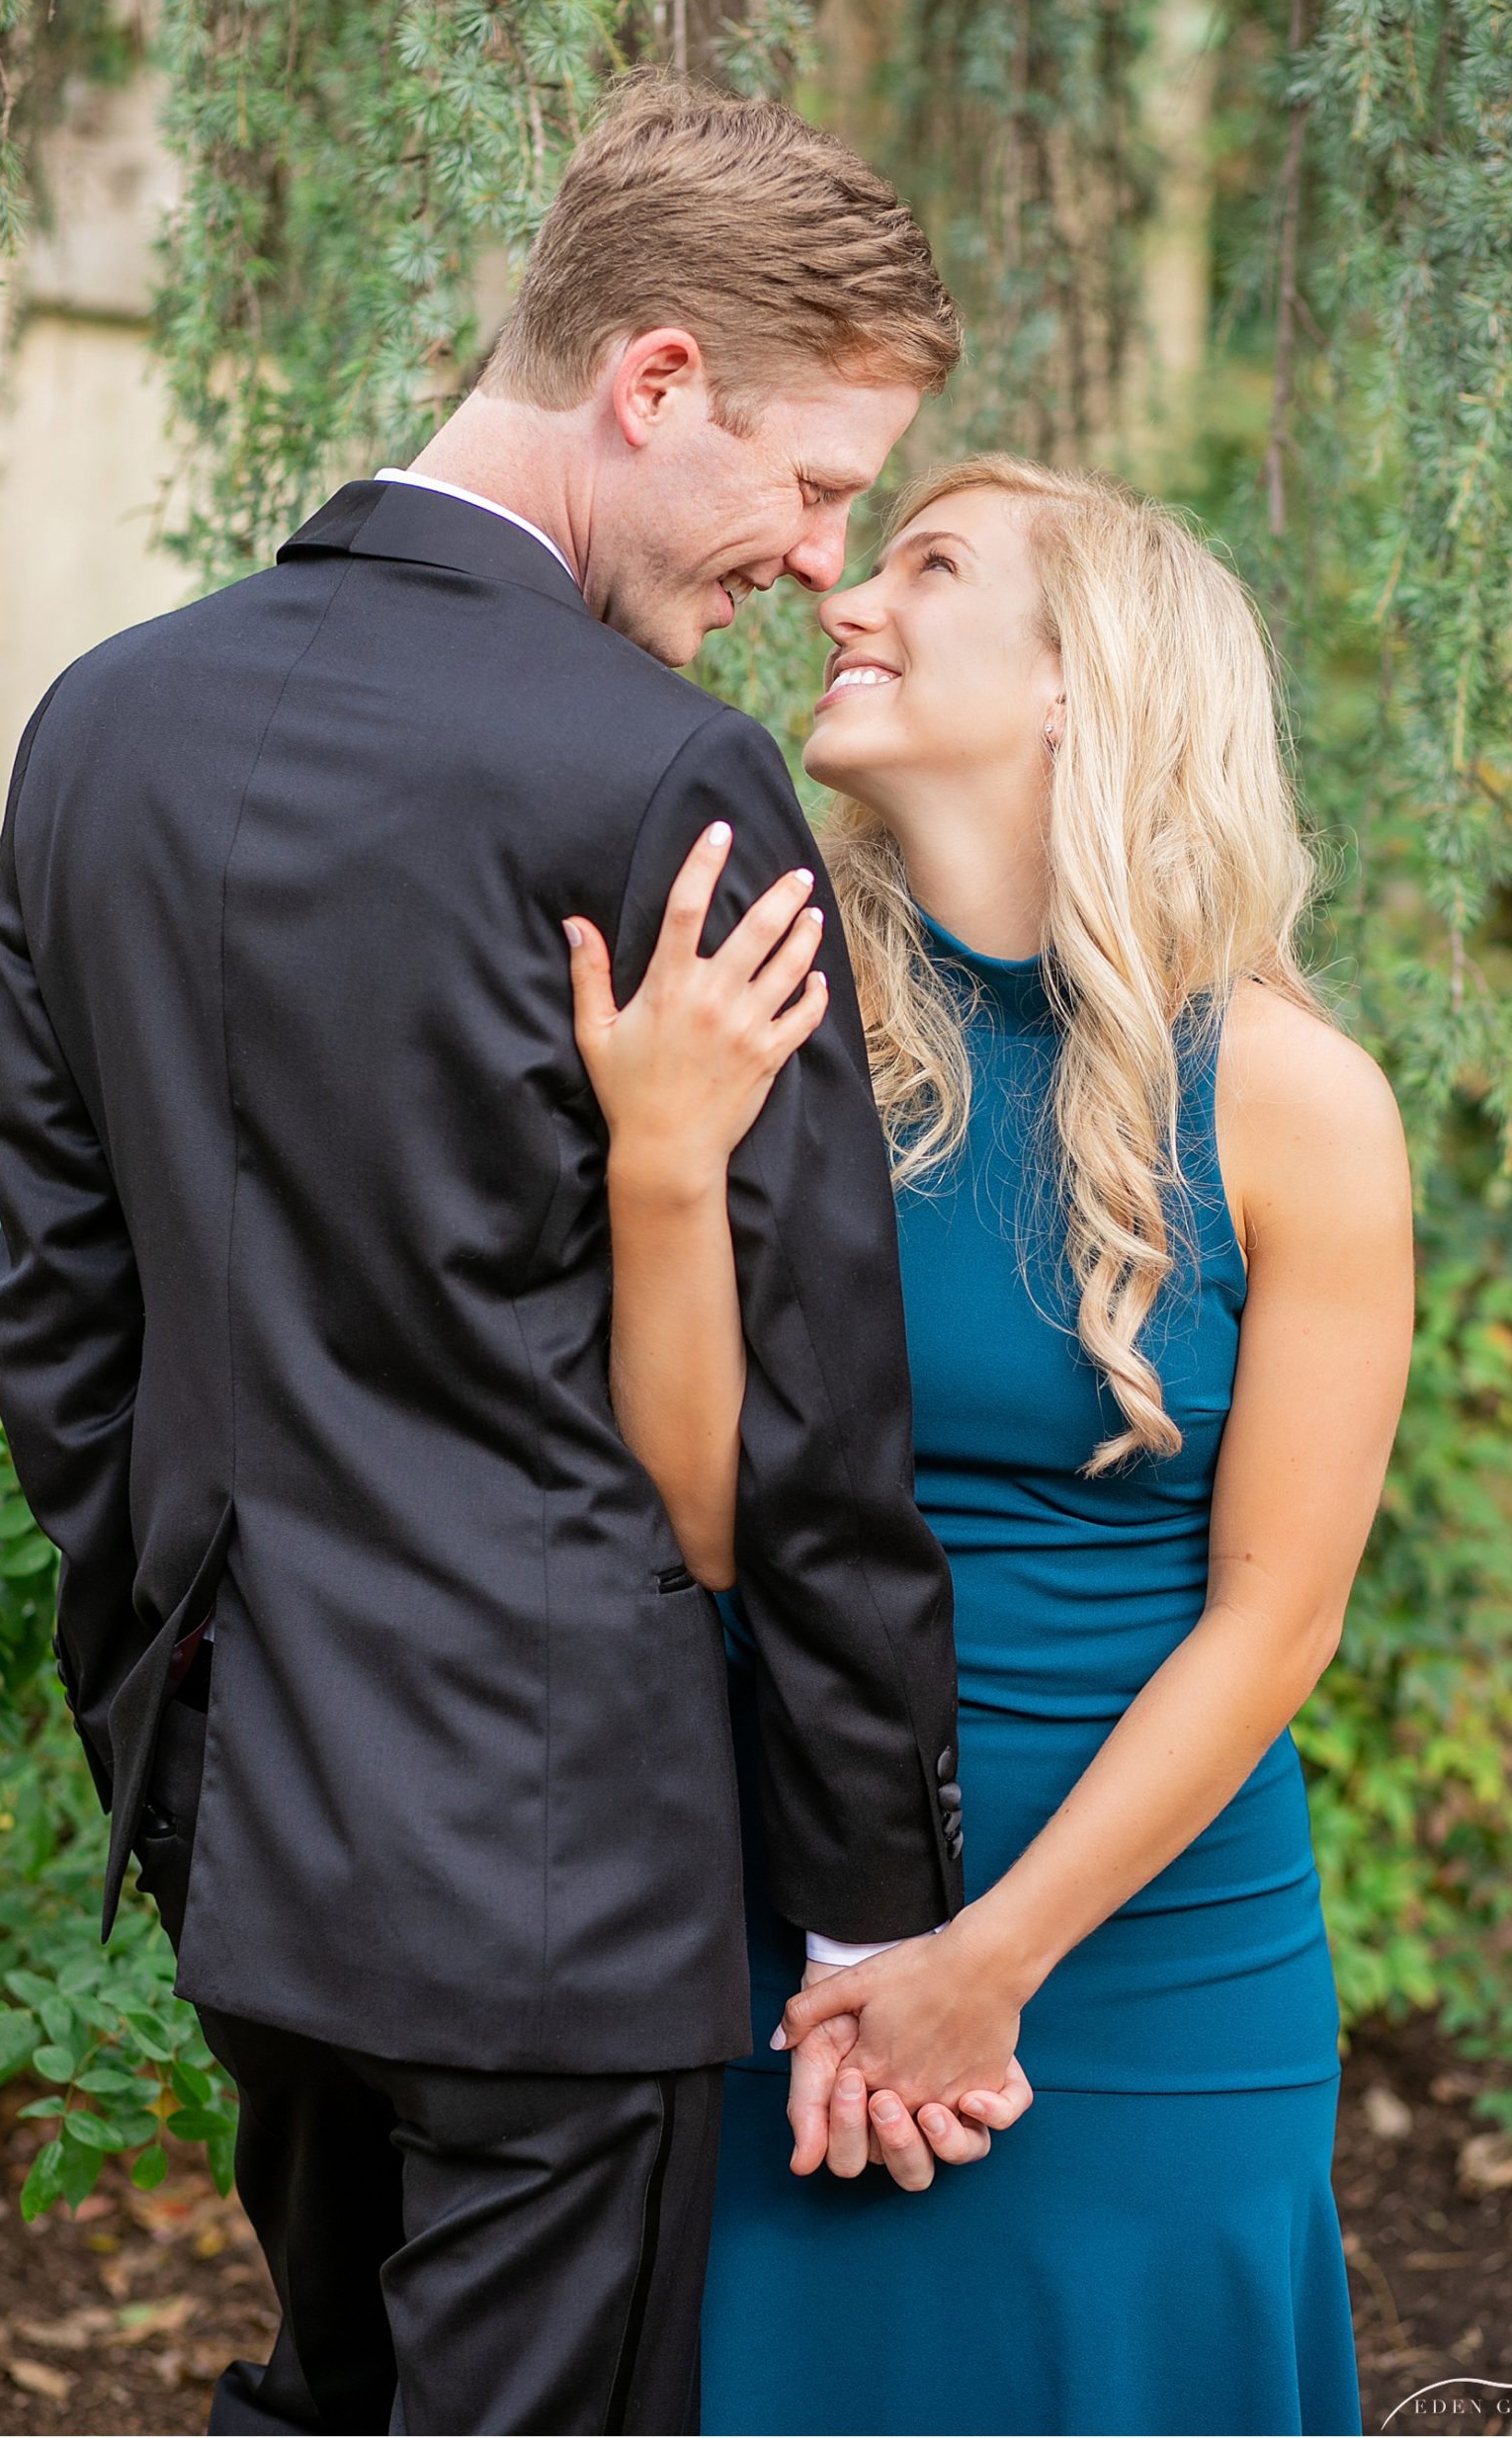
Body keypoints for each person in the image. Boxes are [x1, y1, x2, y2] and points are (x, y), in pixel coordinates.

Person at [0, 76, 1017, 2438]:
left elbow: (59, 1312)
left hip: (240, 1808)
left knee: (323, 2390)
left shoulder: (98, 725)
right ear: (653, 379)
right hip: (549, 1861)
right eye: (814, 477)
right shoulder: (659, 777)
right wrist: (869, 1895)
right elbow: (811, 1399)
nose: (810, 551)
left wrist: (176, 1686)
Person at [565, 455, 1415, 2437]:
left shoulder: (1292, 1100)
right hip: (787, 1923)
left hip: (1141, 1970)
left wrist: (989, 1959)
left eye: (926, 566)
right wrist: (663, 1162)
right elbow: (698, 1519)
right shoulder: (776, 1018)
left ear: (1076, 682)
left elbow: (1275, 1616)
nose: (843, 597)